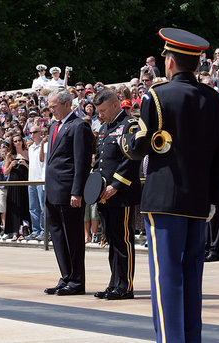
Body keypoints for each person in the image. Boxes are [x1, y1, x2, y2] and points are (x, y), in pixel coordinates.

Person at [120, 28, 219, 343]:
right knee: (192, 278)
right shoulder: (215, 101)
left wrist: (128, 134)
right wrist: (212, 199)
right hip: (199, 203)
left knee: (166, 278)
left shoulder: (156, 96)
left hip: (165, 200)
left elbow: (139, 146)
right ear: (196, 64)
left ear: (169, 62)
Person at [91, 90, 142, 300]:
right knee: (112, 241)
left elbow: (131, 159)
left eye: (102, 111)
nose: (99, 115)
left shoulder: (130, 125)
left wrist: (115, 186)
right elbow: (99, 161)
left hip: (122, 194)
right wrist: (94, 186)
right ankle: (114, 283)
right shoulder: (104, 128)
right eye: (98, 111)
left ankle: (125, 286)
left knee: (123, 241)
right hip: (104, 195)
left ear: (114, 105)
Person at [43, 89, 93, 296]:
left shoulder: (79, 126)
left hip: (68, 191)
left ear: (66, 104)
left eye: (54, 106)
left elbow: (81, 162)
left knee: (72, 236)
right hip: (53, 190)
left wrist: (77, 191)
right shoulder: (54, 125)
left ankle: (77, 280)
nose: (51, 110)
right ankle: (66, 276)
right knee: (58, 236)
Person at [3, 133, 30, 241]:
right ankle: (15, 231)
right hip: (13, 183)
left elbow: (32, 169)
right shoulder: (10, 155)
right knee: (14, 207)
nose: (18, 142)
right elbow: (6, 172)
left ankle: (24, 231)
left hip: (24, 182)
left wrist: (25, 164)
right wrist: (11, 165)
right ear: (12, 143)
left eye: (19, 140)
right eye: (15, 141)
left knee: (24, 205)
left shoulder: (27, 153)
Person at [25, 125, 46, 241]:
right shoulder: (30, 148)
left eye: (35, 132)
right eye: (30, 132)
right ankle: (35, 230)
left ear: (40, 133)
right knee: (33, 207)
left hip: (41, 179)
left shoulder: (45, 145)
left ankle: (43, 231)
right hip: (31, 179)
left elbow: (43, 161)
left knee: (43, 207)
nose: (32, 135)